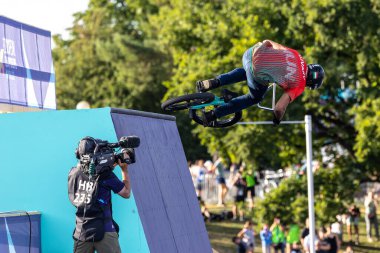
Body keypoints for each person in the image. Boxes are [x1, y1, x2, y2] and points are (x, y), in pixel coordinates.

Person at [196, 40, 325, 126]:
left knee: (246, 70)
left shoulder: (297, 55)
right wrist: (277, 119)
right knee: (254, 97)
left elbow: (269, 42)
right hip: (257, 73)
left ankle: (213, 82)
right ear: (310, 82)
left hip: (251, 52)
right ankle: (212, 115)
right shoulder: (299, 85)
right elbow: (279, 108)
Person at [68, 137, 134, 253]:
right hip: (105, 232)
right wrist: (124, 170)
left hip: (81, 232)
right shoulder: (106, 176)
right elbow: (126, 193)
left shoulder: (73, 173)